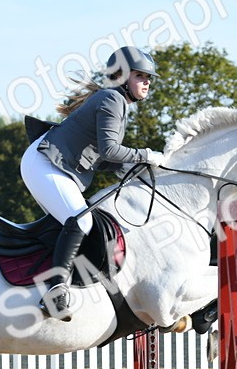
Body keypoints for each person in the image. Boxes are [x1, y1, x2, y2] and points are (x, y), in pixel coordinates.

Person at [20, 46, 163, 320]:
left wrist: (132, 167)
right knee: (81, 220)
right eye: (141, 76)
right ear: (122, 76)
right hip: (44, 163)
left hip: (52, 164)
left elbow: (100, 157)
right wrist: (145, 155)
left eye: (149, 77)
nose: (147, 82)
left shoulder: (114, 100)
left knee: (75, 221)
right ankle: (54, 292)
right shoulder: (112, 99)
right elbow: (110, 150)